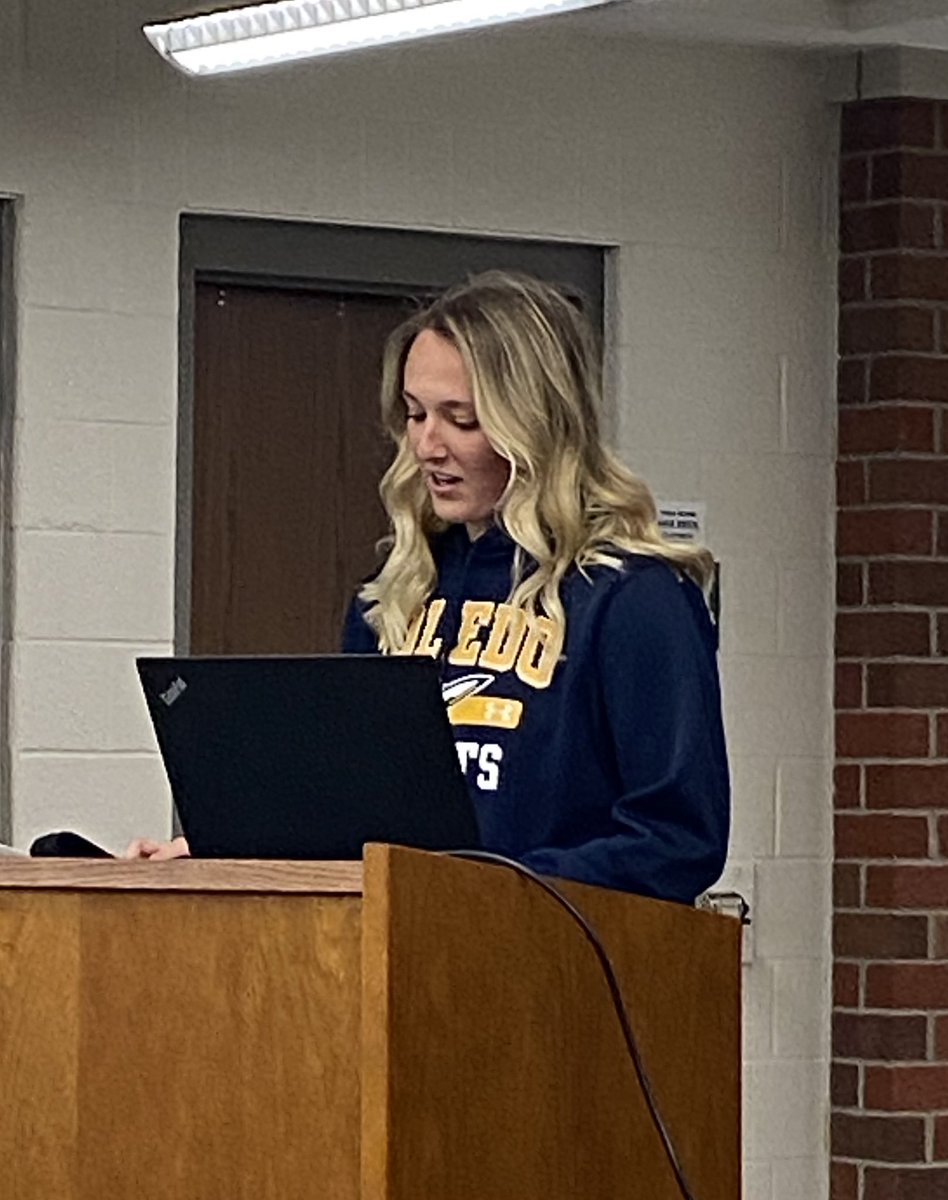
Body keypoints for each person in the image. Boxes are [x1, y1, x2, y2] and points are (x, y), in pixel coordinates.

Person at [129, 270, 729, 904]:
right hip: (400, 948)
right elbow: (349, 822)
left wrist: (482, 888)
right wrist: (227, 851)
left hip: (548, 950)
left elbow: (676, 840)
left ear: (536, 424)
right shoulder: (395, 594)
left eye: (460, 420)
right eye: (415, 415)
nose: (426, 446)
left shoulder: (633, 598)